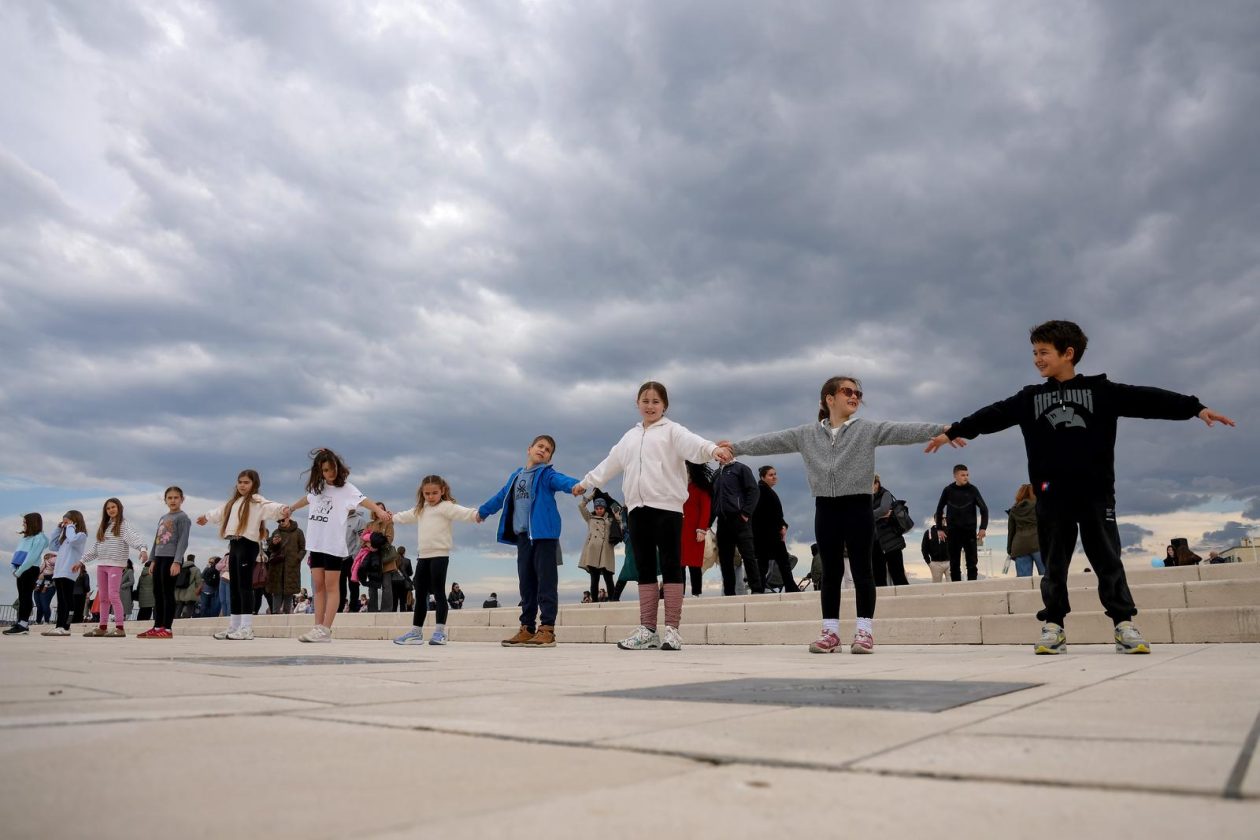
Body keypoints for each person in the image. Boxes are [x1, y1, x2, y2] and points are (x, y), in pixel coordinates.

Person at [925, 319, 1235, 655]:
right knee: (1054, 564)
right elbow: (991, 415)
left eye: (1043, 352)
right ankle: (1053, 625)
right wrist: (954, 430)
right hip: (1051, 495)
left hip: (1096, 493)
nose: (1037, 359)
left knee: (1107, 560)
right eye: (1034, 352)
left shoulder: (1101, 392)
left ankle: (1123, 624)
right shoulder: (1030, 398)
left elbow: (1148, 399)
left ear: (1068, 353)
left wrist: (1195, 408)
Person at [720, 376, 947, 654]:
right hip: (825, 509)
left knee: (863, 570)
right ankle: (831, 633)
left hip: (858, 507)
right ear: (829, 399)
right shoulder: (807, 434)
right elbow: (772, 441)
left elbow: (902, 430)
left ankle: (864, 632)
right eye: (847, 391)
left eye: (858, 393)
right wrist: (736, 447)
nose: (855, 396)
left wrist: (945, 429)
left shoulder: (867, 430)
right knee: (830, 571)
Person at [575, 382, 728, 652]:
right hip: (636, 509)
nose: (650, 405)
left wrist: (713, 450)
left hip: (668, 508)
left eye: (656, 401)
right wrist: (586, 482)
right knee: (644, 568)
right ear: (637, 403)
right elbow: (609, 463)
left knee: (671, 565)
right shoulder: (630, 437)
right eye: (645, 400)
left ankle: (672, 630)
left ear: (664, 406)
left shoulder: (672, 431)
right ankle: (647, 630)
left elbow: (695, 444)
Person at [481, 435, 582, 649]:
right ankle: (526, 628)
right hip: (523, 538)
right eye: (540, 446)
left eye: (548, 450)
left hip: (544, 536)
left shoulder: (546, 474)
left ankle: (547, 629)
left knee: (546, 582)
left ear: (549, 457)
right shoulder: (516, 476)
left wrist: (577, 485)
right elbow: (501, 496)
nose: (543, 450)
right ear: (529, 448)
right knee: (526, 583)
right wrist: (483, 511)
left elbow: (562, 480)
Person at [285, 449, 388, 643]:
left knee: (332, 586)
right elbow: (306, 500)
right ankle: (317, 627)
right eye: (325, 470)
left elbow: (363, 500)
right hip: (316, 543)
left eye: (332, 469)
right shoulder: (317, 488)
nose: (329, 473)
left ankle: (326, 629)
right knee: (318, 586)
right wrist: (290, 508)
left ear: (338, 468)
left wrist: (379, 511)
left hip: (333, 545)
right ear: (319, 471)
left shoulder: (346, 488)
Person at [389, 474, 481, 646]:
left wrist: (477, 515)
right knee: (421, 593)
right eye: (427, 494)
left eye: (434, 493)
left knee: (438, 593)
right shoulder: (421, 509)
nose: (430, 497)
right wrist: (391, 517)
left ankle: (439, 633)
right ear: (422, 493)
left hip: (440, 555)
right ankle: (416, 633)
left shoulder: (446, 506)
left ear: (442, 491)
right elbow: (404, 516)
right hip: (423, 556)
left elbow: (463, 512)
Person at [198, 469, 289, 640]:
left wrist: (283, 509)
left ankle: (246, 628)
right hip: (234, 544)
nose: (242, 485)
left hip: (248, 544)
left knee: (245, 586)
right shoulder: (234, 502)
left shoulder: (256, 501)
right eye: (240, 482)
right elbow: (219, 512)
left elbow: (271, 507)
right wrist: (206, 517)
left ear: (254, 484)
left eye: (246, 482)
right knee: (235, 587)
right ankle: (234, 626)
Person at [78, 498, 149, 637]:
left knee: (113, 596)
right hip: (101, 565)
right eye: (108, 508)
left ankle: (120, 628)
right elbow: (95, 548)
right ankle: (102, 627)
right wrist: (81, 561)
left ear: (119, 508)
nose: (111, 510)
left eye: (113, 507)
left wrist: (142, 549)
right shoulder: (104, 526)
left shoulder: (123, 525)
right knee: (103, 598)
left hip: (115, 565)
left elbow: (134, 537)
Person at [137, 487, 191, 639]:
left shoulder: (183, 518)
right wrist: (152, 560)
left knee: (167, 593)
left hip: (171, 558)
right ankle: (157, 626)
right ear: (165, 500)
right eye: (170, 498)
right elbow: (156, 540)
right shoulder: (163, 517)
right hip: (159, 559)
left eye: (176, 497)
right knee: (158, 593)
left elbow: (183, 541)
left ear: (182, 499)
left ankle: (167, 628)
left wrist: (177, 561)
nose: (173, 500)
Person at [711, 457, 762, 596]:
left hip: (740, 519)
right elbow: (713, 499)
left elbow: (754, 491)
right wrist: (707, 523)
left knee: (748, 556)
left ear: (730, 452)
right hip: (722, 522)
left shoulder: (741, 468)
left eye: (724, 449)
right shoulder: (716, 474)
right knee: (725, 560)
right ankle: (729, 593)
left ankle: (757, 589)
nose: (720, 453)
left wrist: (745, 513)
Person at [934, 466, 989, 581]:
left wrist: (983, 528)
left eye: (967, 475)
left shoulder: (972, 490)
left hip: (969, 532)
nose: (966, 477)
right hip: (953, 532)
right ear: (955, 476)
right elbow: (939, 510)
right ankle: (956, 589)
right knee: (954, 564)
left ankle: (973, 588)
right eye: (963, 475)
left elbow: (984, 509)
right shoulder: (948, 490)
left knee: (972, 563)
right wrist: (939, 529)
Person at [751, 465, 799, 595]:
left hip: (763, 535)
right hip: (769, 535)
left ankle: (758, 589)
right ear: (763, 477)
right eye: (771, 475)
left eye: (775, 474)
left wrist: (783, 525)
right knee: (783, 562)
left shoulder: (763, 490)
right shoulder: (763, 491)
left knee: (763, 564)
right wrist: (781, 527)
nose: (774, 477)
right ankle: (791, 587)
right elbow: (770, 515)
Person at [5, 513, 50, 635]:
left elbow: (31, 557)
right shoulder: (25, 537)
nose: (23, 524)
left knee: (26, 596)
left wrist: (19, 571)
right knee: (22, 596)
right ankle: (20, 622)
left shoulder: (39, 538)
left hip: (29, 569)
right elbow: (17, 554)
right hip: (20, 569)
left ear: (32, 523)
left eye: (25, 522)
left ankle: (23, 624)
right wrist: (14, 568)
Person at [681, 463, 713, 597]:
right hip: (679, 530)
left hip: (695, 531)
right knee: (679, 565)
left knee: (694, 564)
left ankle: (696, 593)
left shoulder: (701, 488)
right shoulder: (678, 487)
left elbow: (706, 510)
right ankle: (679, 594)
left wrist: (701, 529)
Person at [870, 475, 909, 587]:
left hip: (891, 541)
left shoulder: (885, 494)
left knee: (898, 575)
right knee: (878, 577)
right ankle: (882, 602)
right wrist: (878, 515)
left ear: (877, 484)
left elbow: (884, 509)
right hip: (876, 543)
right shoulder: (868, 498)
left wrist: (870, 514)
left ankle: (906, 600)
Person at [578, 495, 618, 602]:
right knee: (594, 580)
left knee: (608, 578)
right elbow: (581, 506)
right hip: (592, 551)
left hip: (606, 551)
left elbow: (619, 527)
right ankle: (594, 603)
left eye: (601, 508)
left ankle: (613, 602)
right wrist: (590, 497)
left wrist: (617, 516)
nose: (599, 510)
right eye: (597, 508)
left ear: (605, 508)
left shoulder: (610, 518)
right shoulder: (590, 518)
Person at [266, 514, 305, 614]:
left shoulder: (298, 532)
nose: (281, 522)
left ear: (288, 518)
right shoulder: (276, 532)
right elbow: (271, 549)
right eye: (279, 521)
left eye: (282, 520)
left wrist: (297, 559)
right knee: (276, 591)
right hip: (277, 567)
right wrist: (274, 543)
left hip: (292, 566)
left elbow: (303, 548)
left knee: (289, 591)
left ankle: (287, 614)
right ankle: (275, 614)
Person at [1006, 484, 1045, 577]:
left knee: (1024, 581)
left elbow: (1011, 531)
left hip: (1020, 547)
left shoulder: (1014, 510)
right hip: (1038, 544)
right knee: (1047, 577)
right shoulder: (1039, 506)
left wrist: (1009, 549)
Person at [174, 554, 201, 619]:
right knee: (190, 605)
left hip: (180, 590)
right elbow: (198, 581)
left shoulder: (180, 568)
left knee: (179, 606)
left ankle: (176, 619)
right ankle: (187, 619)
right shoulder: (196, 569)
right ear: (193, 559)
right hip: (190, 591)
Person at [35, 554, 57, 625]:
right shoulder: (44, 564)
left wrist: (44, 575)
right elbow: (39, 572)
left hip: (49, 587)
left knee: (45, 605)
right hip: (38, 587)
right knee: (39, 606)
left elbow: (52, 576)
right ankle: (38, 621)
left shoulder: (55, 566)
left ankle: (46, 620)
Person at [392, 547, 413, 612]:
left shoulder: (393, 560)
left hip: (393, 581)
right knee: (403, 601)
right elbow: (410, 573)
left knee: (394, 601)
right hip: (403, 582)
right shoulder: (407, 560)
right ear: (404, 552)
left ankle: (393, 615)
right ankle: (402, 615)